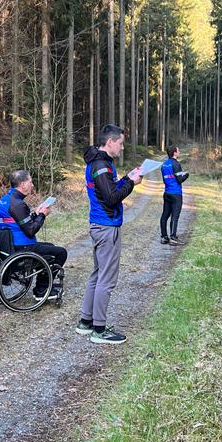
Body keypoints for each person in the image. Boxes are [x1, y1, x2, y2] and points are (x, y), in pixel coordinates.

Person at [76, 124, 143, 344]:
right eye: (121, 143)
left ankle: (86, 322)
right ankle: (99, 330)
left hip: (99, 225)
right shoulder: (101, 165)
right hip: (106, 227)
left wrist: (126, 178)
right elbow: (112, 197)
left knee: (98, 274)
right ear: (111, 141)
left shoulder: (99, 162)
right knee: (106, 279)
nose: (122, 148)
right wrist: (131, 183)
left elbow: (109, 189)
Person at [0, 170, 67, 300]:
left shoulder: (6, 200)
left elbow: (20, 222)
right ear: (23, 184)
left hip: (10, 245)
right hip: (22, 247)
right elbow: (30, 231)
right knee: (61, 252)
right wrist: (42, 215)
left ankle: (42, 284)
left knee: (50, 246)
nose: (32, 185)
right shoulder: (18, 204)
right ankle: (41, 290)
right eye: (30, 182)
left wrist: (35, 214)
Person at [159, 145, 189, 245]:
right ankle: (173, 238)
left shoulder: (164, 165)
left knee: (165, 215)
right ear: (174, 153)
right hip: (176, 193)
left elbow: (165, 180)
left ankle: (164, 237)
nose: (179, 152)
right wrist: (186, 175)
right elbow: (180, 180)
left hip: (167, 193)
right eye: (178, 150)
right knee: (175, 216)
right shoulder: (176, 164)